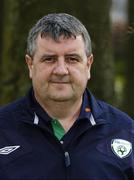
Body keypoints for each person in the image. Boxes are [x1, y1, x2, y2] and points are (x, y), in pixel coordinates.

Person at [0, 13, 134, 180]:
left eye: (72, 59)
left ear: (88, 64)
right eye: (49, 59)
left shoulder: (126, 130)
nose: (61, 70)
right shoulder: (3, 129)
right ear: (30, 64)